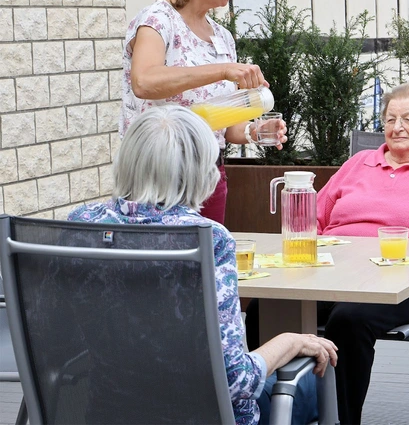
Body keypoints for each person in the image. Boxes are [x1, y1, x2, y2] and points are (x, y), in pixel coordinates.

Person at [69, 105, 336, 425]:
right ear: (201, 172)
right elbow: (235, 382)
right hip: (202, 415)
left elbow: (58, 347)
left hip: (106, 411)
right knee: (315, 382)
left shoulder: (81, 225)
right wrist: (290, 341)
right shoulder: (208, 240)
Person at [246, 79, 409, 424]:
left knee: (349, 319)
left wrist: (395, 266)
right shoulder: (360, 162)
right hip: (331, 272)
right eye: (390, 119)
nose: (396, 127)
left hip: (404, 282)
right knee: (267, 307)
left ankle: (340, 419)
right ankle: (263, 412)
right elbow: (313, 218)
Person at [120, 0, 286, 225]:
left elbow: (227, 128)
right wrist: (222, 70)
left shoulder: (222, 37)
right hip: (159, 173)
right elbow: (143, 82)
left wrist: (255, 131)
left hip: (209, 174)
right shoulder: (157, 20)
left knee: (207, 263)